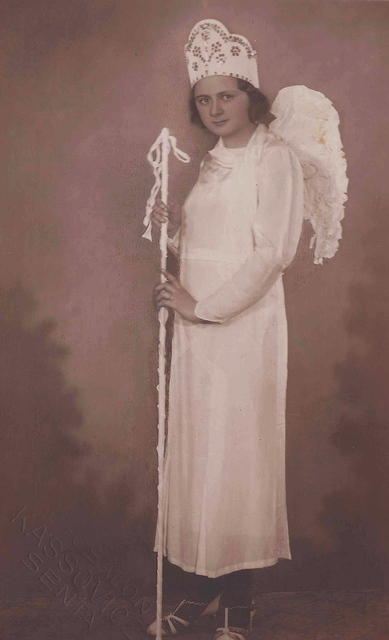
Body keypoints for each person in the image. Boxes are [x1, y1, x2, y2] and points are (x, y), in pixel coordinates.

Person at [146, 19, 305, 640]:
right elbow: (213, 241)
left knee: (237, 458)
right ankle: (201, 586)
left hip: (241, 328)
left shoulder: (275, 157)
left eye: (226, 96)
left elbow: (270, 253)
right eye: (204, 99)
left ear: (251, 96)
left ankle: (239, 600)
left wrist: (201, 306)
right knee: (199, 458)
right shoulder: (212, 162)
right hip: (198, 329)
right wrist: (174, 228)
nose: (214, 109)